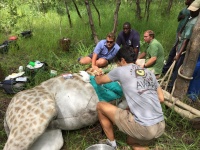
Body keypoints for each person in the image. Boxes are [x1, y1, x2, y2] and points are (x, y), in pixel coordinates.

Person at [95, 46, 165, 150]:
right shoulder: (149, 73)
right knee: (130, 140)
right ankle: (142, 143)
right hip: (160, 126)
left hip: (145, 128)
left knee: (100, 106)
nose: (118, 65)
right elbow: (161, 98)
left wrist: (98, 74)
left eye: (118, 62)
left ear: (122, 60)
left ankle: (111, 144)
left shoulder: (120, 71)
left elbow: (99, 81)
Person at [169, 3, 200, 89]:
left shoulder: (193, 22)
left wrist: (178, 54)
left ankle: (171, 86)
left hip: (183, 50)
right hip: (181, 46)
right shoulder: (193, 18)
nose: (191, 11)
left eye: (194, 10)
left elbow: (186, 40)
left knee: (177, 67)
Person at [162, 0, 194, 74]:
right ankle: (166, 69)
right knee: (174, 50)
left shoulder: (194, 12)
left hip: (186, 35)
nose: (186, 0)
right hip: (180, 33)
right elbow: (178, 19)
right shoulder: (184, 10)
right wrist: (181, 17)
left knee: (179, 53)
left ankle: (173, 71)